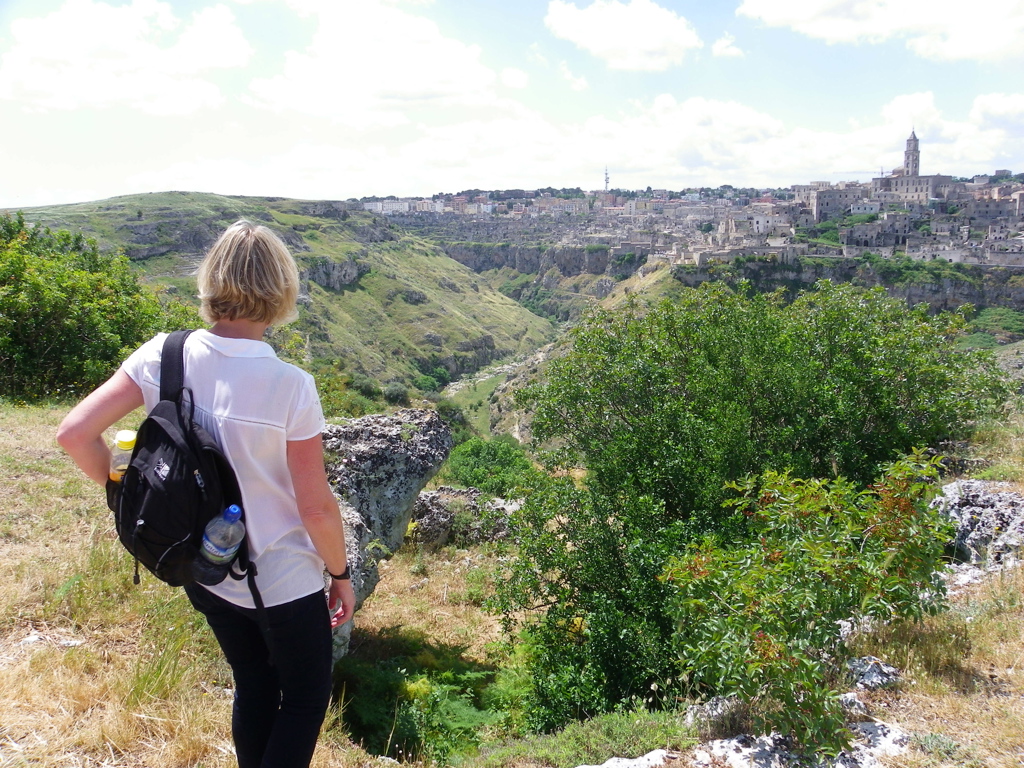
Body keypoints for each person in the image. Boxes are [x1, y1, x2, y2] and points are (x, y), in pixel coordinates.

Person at [57, 219, 355, 768]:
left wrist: (126, 493)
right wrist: (339, 575)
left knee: (254, 683)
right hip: (283, 580)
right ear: (281, 291)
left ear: (212, 281)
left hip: (205, 567)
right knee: (306, 699)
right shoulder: (291, 386)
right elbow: (314, 505)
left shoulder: (164, 356)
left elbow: (74, 435)